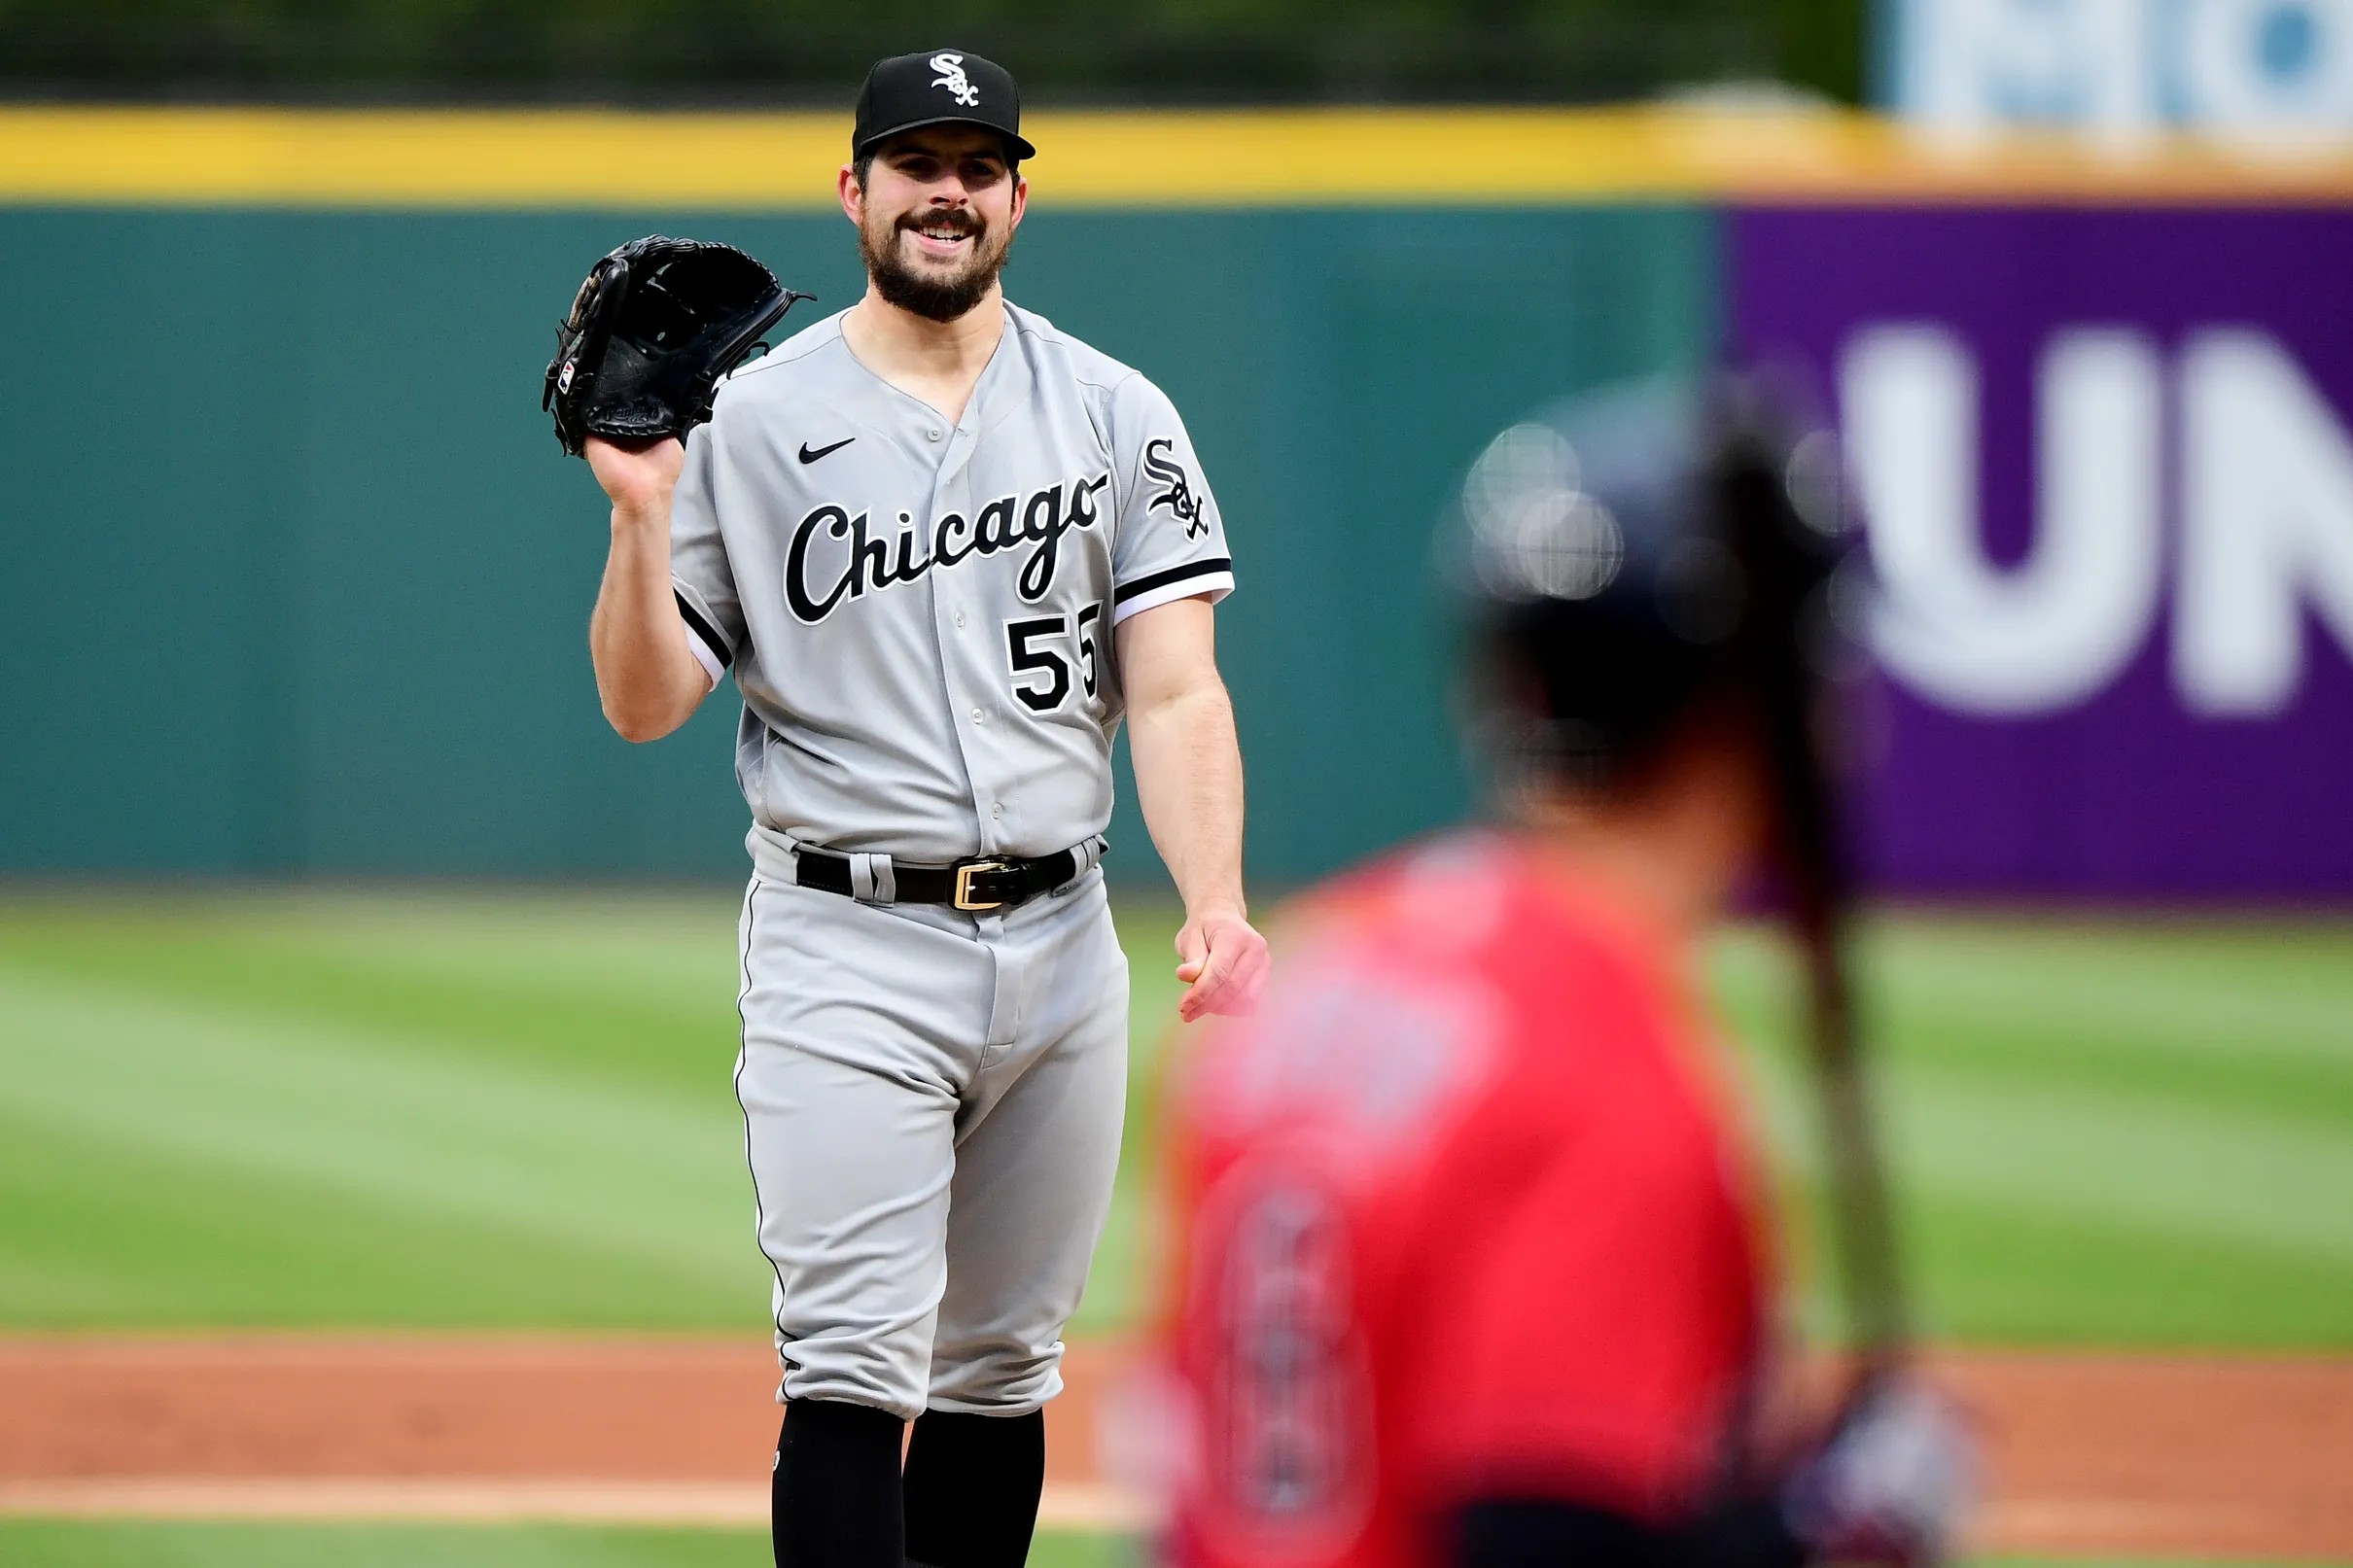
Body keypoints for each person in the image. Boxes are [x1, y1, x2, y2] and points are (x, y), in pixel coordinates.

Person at [581, 47, 1270, 1568]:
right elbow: (644, 702)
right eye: (916, 163)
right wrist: (641, 523)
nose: (946, 192)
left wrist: (1214, 897)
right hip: (849, 942)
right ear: (856, 191)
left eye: (977, 164)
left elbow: (1174, 689)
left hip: (1064, 937)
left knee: (1003, 1372)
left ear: (1018, 193)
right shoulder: (751, 418)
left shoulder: (1115, 413)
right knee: (848, 1367)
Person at [1157, 378, 1973, 1568]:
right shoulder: (1602, 1069)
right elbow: (1544, 1532)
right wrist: (1828, 1525)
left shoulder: (1324, 973)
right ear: (1762, 711)